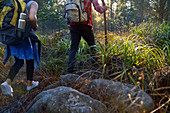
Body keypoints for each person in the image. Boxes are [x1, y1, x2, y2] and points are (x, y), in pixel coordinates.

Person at [0, 0, 39, 96]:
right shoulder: (33, 3)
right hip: (24, 35)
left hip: (12, 34)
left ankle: (7, 82)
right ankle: (29, 83)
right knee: (30, 58)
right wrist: (35, 26)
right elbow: (32, 18)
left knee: (19, 61)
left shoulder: (18, 2)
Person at [67, 0, 107, 73]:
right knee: (92, 45)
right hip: (85, 24)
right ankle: (95, 65)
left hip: (73, 25)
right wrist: (104, 8)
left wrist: (69, 26)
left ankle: (70, 68)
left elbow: (67, 12)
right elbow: (99, 9)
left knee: (74, 47)